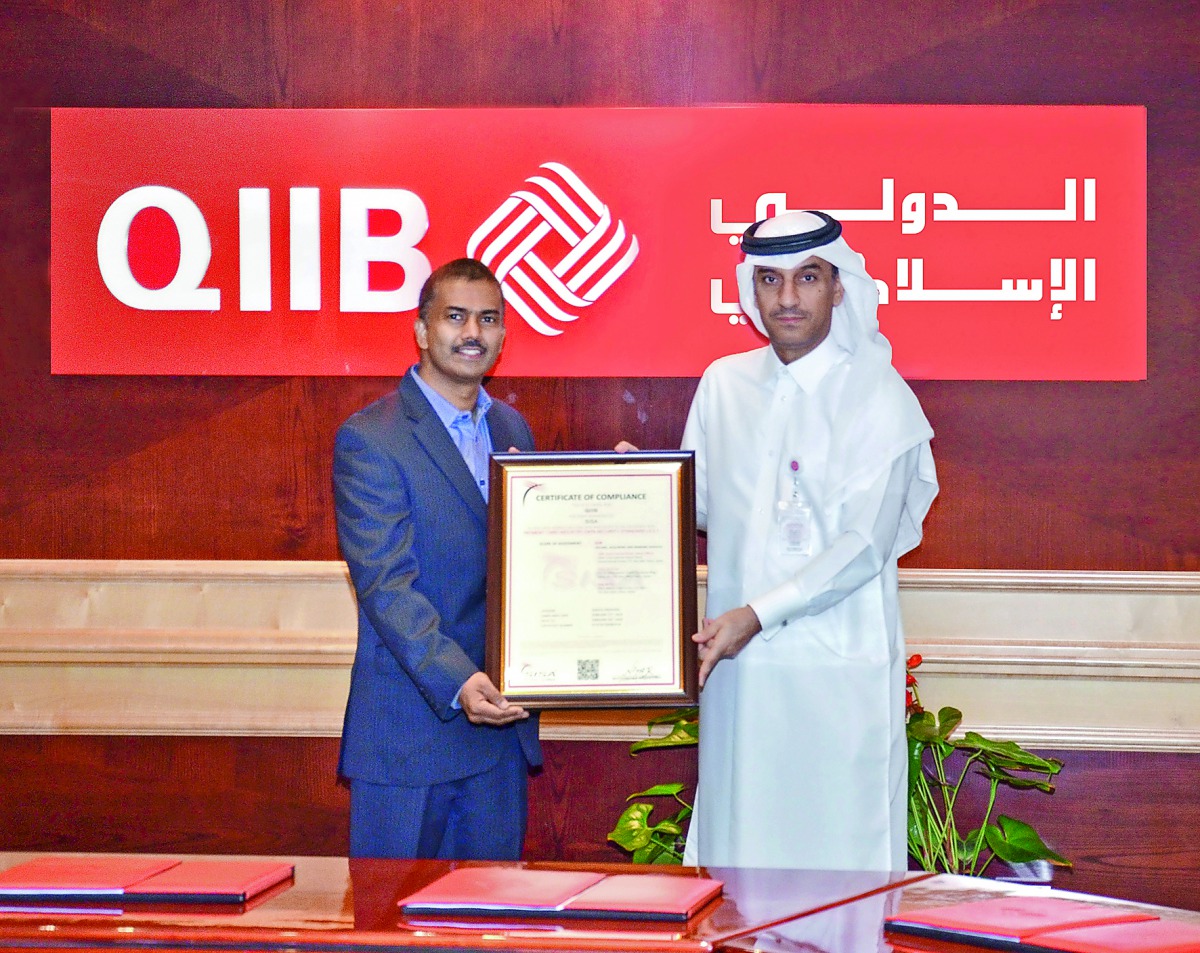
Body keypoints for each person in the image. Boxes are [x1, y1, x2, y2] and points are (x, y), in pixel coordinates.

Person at [681, 210, 938, 870]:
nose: (788, 297)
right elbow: (705, 508)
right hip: (742, 676)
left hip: (835, 675)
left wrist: (756, 615)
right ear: (751, 289)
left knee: (836, 860)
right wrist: (639, 489)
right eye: (770, 279)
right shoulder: (723, 385)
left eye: (808, 277)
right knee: (739, 851)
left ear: (839, 286)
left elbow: (865, 545)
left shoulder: (880, 396)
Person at [333, 258, 540, 859]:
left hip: (500, 731)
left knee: (493, 911)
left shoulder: (513, 429)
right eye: (456, 317)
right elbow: (386, 585)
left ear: (503, 334)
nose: (473, 332)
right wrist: (458, 681)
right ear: (423, 330)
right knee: (391, 912)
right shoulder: (372, 437)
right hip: (412, 734)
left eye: (488, 319)